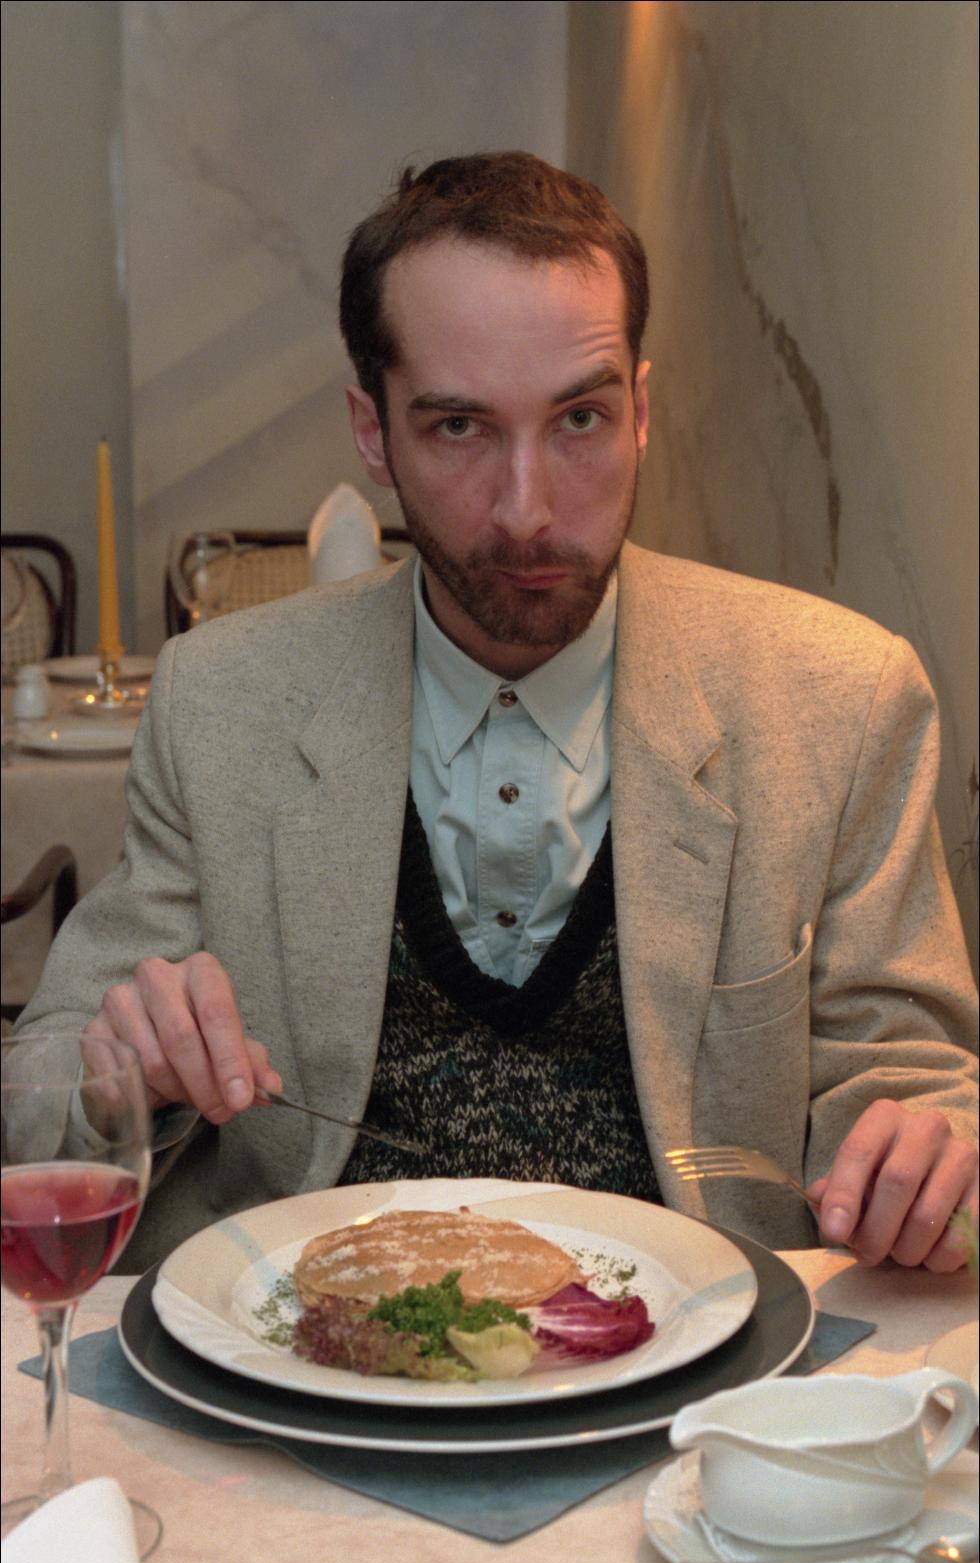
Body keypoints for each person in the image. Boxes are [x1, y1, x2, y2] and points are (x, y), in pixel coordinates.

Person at [17, 153, 978, 1274]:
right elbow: (37, 1106)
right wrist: (120, 1071)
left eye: (580, 418)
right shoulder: (219, 701)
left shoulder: (842, 699)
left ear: (641, 412)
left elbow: (912, 1080)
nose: (528, 510)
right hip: (299, 1338)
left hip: (712, 1348)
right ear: (372, 432)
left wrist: (925, 1154)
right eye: (459, 429)